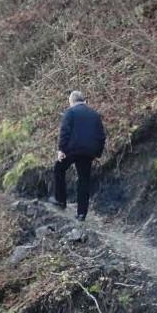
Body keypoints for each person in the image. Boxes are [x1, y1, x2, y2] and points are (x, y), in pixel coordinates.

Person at [52, 90, 105, 221]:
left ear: (71, 101)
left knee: (59, 169)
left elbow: (65, 132)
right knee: (84, 180)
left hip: (72, 149)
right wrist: (97, 153)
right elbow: (101, 136)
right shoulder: (95, 114)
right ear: (84, 101)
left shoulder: (70, 112)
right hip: (88, 152)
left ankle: (60, 201)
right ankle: (81, 213)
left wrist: (61, 150)